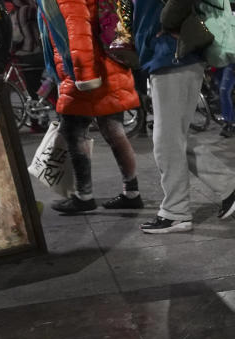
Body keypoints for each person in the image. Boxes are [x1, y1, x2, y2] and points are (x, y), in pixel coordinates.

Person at [133, 0, 235, 233]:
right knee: (175, 137)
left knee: (166, 141)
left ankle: (176, 212)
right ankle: (228, 185)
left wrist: (168, 21)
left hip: (172, 54)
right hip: (167, 55)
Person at [39, 0, 142, 214]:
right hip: (110, 64)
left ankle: (84, 196)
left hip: (88, 69)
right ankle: (132, 192)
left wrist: (84, 76)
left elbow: (78, 33)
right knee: (113, 129)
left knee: (74, 131)